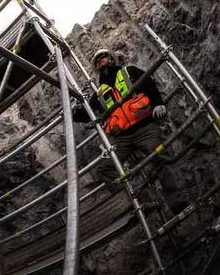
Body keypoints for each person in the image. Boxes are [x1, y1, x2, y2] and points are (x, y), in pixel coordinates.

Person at [74, 48, 186, 213]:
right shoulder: (99, 93)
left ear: (111, 59)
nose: (99, 61)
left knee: (160, 157)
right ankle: (138, 205)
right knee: (104, 169)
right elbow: (86, 114)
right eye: (96, 61)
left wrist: (158, 103)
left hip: (145, 127)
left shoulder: (129, 72)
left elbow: (148, 83)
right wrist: (73, 111)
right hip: (122, 138)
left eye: (102, 57)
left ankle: (176, 201)